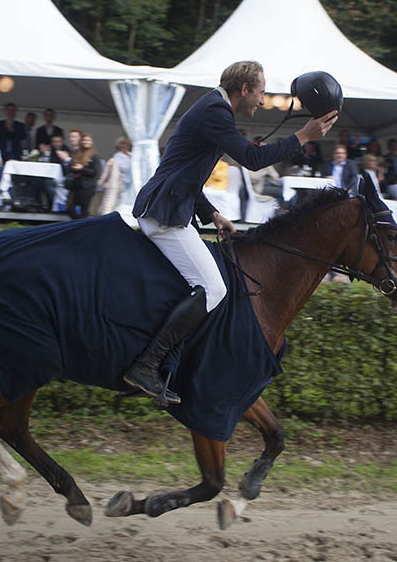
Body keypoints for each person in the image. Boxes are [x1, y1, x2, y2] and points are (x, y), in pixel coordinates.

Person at [124, 61, 338, 405]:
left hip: (171, 207)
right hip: (164, 215)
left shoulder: (214, 108)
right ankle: (146, 366)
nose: (263, 101)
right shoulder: (215, 111)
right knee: (213, 287)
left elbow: (188, 172)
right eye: (261, 93)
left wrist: (211, 213)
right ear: (243, 90)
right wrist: (303, 137)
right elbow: (253, 159)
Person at [64, 133, 100, 219]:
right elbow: (70, 167)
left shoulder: (94, 156)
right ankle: (78, 223)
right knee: (70, 208)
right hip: (75, 185)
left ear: (92, 142)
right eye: (84, 140)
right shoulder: (77, 153)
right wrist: (73, 167)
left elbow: (94, 172)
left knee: (84, 210)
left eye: (88, 140)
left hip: (87, 186)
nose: (86, 142)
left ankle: (83, 227)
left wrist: (81, 169)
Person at [96, 146, 121, 216]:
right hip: (113, 186)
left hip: (125, 188)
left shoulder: (132, 158)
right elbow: (105, 173)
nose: (124, 146)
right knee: (108, 206)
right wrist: (101, 183)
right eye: (122, 144)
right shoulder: (113, 160)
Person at [111, 136, 133, 208]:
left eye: (126, 144)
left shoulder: (132, 155)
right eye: (122, 144)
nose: (124, 146)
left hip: (132, 183)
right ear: (118, 145)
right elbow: (124, 168)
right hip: (122, 183)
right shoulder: (117, 156)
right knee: (122, 202)